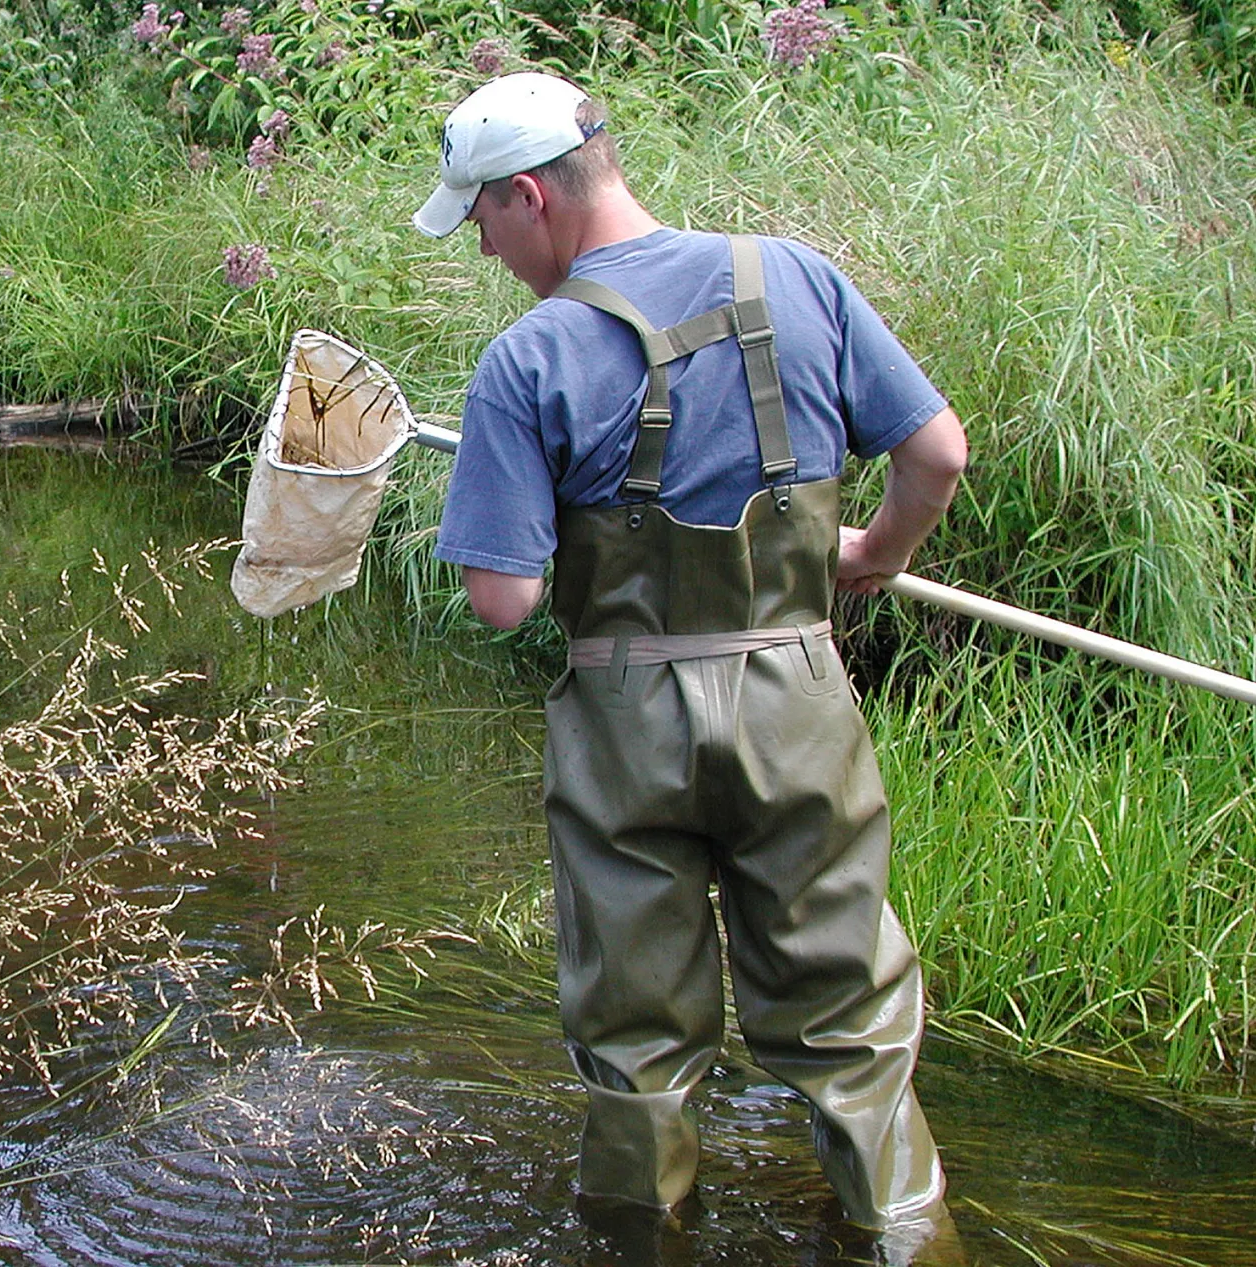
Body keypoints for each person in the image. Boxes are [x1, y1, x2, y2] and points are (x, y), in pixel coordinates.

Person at [413, 72, 967, 1249]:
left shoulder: (528, 358)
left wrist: (516, 509)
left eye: (480, 221)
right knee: (852, 1025)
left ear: (529, 197)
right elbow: (938, 453)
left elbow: (503, 602)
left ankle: (640, 1236)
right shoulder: (797, 278)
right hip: (794, 697)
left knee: (637, 1040)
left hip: (628, 724)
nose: (483, 248)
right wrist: (870, 551)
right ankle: (911, 1234)